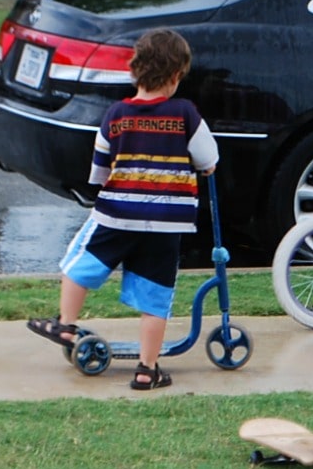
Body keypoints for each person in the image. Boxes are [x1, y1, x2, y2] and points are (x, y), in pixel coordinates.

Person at [27, 28, 219, 389]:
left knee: (79, 263)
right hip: (166, 224)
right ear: (176, 76)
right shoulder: (185, 114)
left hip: (117, 214)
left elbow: (99, 171)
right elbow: (209, 158)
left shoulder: (115, 115)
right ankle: (147, 370)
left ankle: (66, 324)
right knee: (155, 295)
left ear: (134, 72)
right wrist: (203, 167)